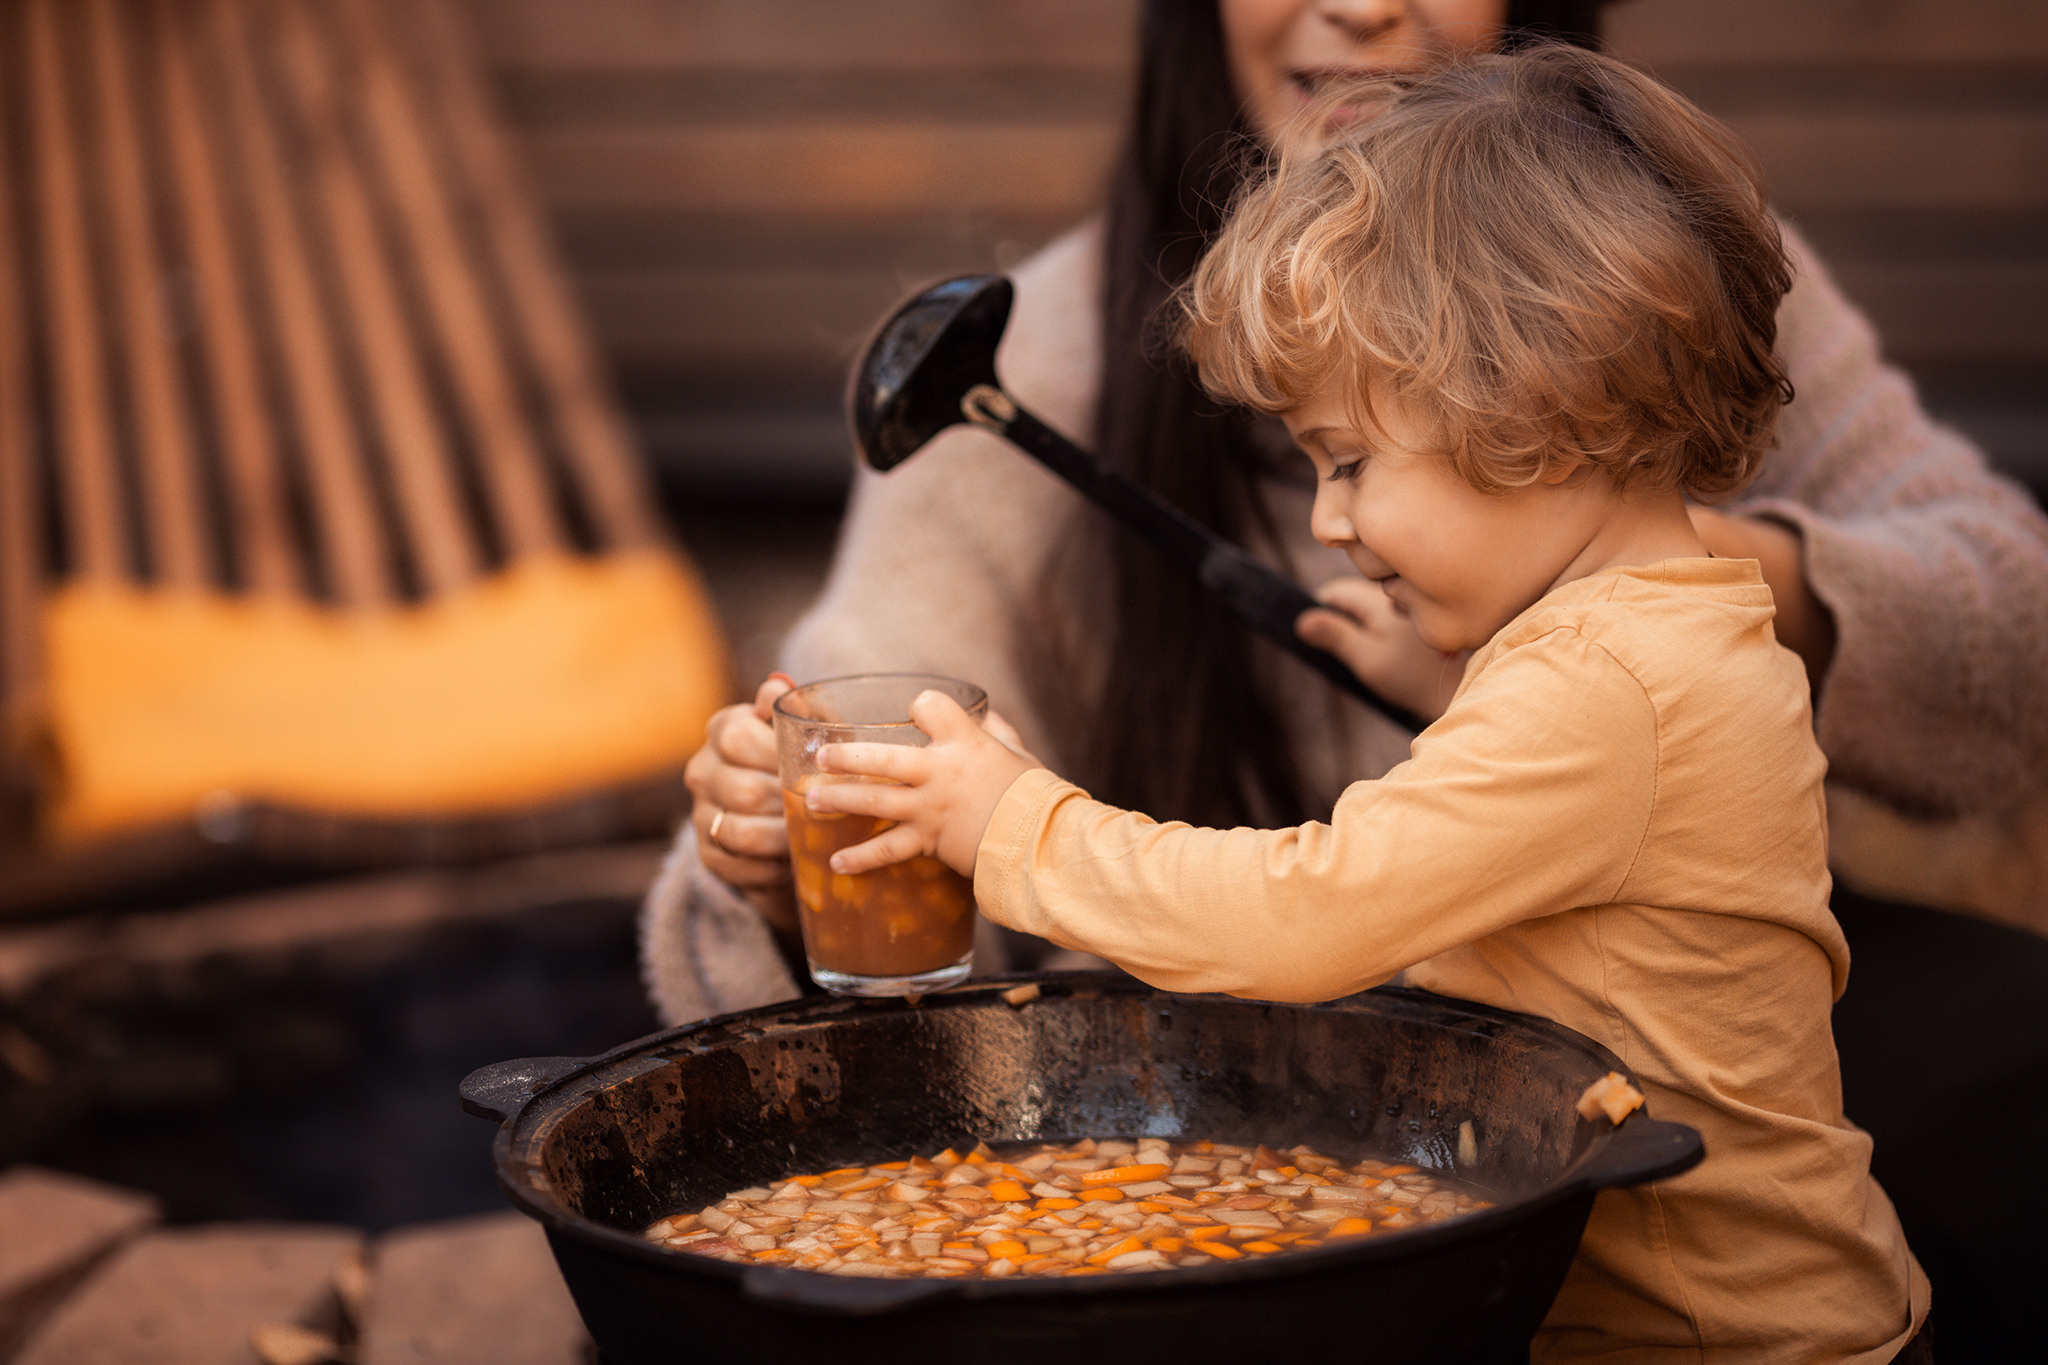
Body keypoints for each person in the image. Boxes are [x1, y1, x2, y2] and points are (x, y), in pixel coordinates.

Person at [650, 1, 2045, 1353]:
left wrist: (1013, 821)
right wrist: (790, 842)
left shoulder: (1600, 682)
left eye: (1354, 464)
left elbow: (1311, 917)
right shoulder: (1641, 634)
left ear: (1538, 406)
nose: (1327, 524)